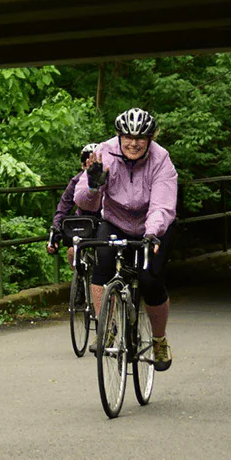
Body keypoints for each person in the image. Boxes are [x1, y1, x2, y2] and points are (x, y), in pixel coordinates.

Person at [74, 108, 178, 371]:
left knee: (149, 278)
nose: (133, 143)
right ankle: (105, 328)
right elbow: (83, 202)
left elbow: (163, 205)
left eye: (141, 138)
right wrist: (93, 185)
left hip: (153, 224)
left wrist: (152, 232)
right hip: (116, 221)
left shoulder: (161, 158)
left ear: (150, 139)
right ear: (119, 135)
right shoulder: (104, 152)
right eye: (127, 137)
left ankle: (159, 339)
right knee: (102, 264)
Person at [47, 142, 101, 267]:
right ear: (83, 165)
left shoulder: (109, 178)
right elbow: (63, 208)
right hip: (84, 223)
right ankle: (79, 281)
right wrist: (55, 234)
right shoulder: (76, 181)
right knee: (72, 252)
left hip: (106, 220)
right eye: (87, 164)